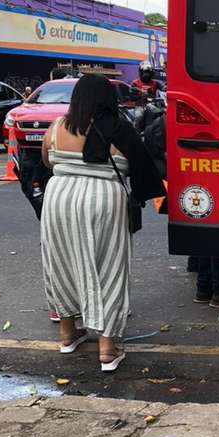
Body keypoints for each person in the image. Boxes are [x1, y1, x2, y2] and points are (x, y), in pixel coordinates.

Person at [40, 74, 164, 371]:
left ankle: (68, 334)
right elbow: (141, 167)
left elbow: (47, 161)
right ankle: (108, 347)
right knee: (109, 268)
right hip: (103, 199)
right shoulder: (120, 128)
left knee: (61, 264)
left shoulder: (57, 127)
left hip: (59, 197)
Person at [142, 108, 219, 310]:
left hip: (191, 180)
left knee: (206, 230)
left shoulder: (173, 117)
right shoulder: (213, 114)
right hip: (210, 177)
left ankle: (205, 287)